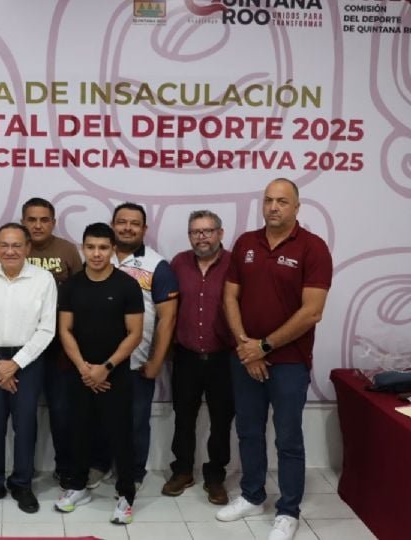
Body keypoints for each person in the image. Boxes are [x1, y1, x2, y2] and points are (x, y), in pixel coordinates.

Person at [216, 179, 332, 540]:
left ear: (297, 207)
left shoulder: (313, 248)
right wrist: (246, 346)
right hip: (245, 357)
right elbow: (230, 297)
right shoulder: (246, 243)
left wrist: (263, 347)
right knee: (248, 431)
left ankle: (288, 511)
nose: (274, 207)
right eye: (268, 200)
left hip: (289, 363)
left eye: (282, 201)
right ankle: (252, 496)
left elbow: (312, 312)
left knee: (288, 438)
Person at [55, 223, 143, 525]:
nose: (96, 253)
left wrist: (105, 368)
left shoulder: (127, 286)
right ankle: (78, 486)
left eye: (103, 248)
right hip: (80, 373)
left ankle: (126, 495)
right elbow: (65, 330)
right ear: (83, 249)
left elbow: (135, 333)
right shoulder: (72, 286)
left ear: (113, 250)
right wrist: (84, 368)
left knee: (120, 436)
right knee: (78, 431)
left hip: (114, 374)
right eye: (90, 247)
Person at [0, 223, 56, 514]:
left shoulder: (43, 280)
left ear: (27, 248)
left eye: (17, 245)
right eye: (4, 245)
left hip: (28, 360)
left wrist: (15, 364)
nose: (10, 251)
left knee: (25, 425)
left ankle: (22, 484)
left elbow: (47, 329)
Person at [163, 210, 235, 505]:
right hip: (186, 356)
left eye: (207, 231)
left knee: (221, 421)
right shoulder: (178, 263)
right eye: (195, 232)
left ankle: (215, 477)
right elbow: (168, 309)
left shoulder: (235, 264)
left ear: (220, 233)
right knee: (183, 417)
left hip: (224, 358)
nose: (201, 237)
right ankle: (182, 471)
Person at [109, 202, 178, 486]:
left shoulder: (157, 265)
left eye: (134, 223)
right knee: (99, 419)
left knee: (136, 422)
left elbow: (167, 318)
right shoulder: (98, 256)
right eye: (122, 222)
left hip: (137, 363)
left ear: (144, 228)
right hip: (99, 362)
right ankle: (102, 467)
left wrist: (156, 361)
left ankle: (134, 473)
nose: (127, 228)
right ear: (113, 225)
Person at [20, 197, 82, 486]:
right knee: (24, 410)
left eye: (44, 220)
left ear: (53, 222)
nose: (38, 225)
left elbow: (82, 294)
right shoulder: (14, 247)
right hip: (23, 344)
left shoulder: (67, 250)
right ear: (23, 222)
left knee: (62, 410)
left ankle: (65, 466)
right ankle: (23, 468)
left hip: (60, 345)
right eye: (32, 219)